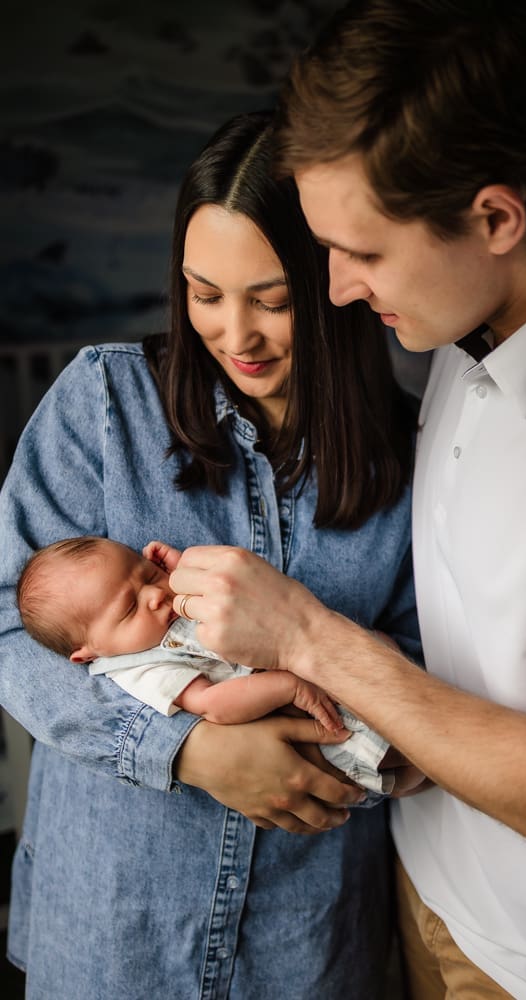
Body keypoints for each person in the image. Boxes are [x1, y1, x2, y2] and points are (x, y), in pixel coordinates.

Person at [165, 3, 526, 998]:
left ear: (494, 220)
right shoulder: (470, 316)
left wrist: (303, 634)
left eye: (362, 252)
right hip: (416, 883)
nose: (338, 291)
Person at [0, 109, 423, 999]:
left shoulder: (410, 450)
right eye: (204, 294)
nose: (235, 336)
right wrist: (182, 747)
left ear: (338, 279)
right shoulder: (104, 403)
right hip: (114, 921)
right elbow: (9, 622)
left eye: (272, 299)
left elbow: (426, 664)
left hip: (303, 934)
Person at [16, 534, 399, 793]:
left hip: (327, 664)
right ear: (88, 652)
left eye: (148, 574)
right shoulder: (140, 669)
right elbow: (213, 704)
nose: (154, 596)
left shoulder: (167, 609)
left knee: (390, 668)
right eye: (130, 608)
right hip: (306, 715)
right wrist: (290, 687)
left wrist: (183, 569)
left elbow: (227, 596)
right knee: (393, 751)